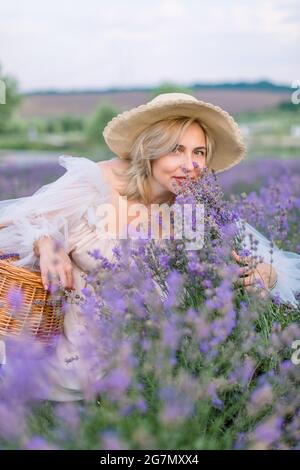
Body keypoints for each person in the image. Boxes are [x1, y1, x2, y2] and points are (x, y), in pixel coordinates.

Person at [0, 92, 299, 401]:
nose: (190, 164)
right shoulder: (96, 183)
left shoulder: (194, 214)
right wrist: (47, 245)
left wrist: (267, 273)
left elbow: (259, 260)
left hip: (150, 385)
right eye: (176, 150)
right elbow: (19, 219)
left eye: (199, 152)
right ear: (151, 150)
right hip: (68, 373)